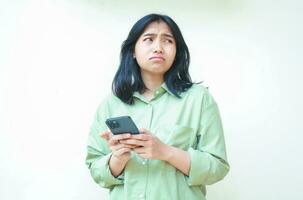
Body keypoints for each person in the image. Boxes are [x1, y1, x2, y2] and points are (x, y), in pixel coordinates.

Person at [86, 13, 229, 200]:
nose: (158, 48)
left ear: (177, 51)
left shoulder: (199, 99)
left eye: (168, 41)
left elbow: (217, 167)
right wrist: (117, 160)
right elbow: (95, 168)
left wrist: (166, 152)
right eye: (149, 39)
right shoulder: (110, 104)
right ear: (133, 52)